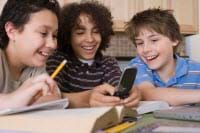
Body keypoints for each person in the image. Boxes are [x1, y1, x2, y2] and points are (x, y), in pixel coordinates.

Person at [47, 1, 141, 108]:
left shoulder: (108, 63)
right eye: (80, 33)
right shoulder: (57, 60)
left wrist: (129, 93)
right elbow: (50, 97)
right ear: (68, 36)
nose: (90, 39)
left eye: (96, 31)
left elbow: (117, 87)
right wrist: (89, 98)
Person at [126, 8, 200, 106]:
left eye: (154, 40)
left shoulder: (196, 70)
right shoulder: (137, 66)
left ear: (174, 39)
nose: (145, 49)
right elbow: (149, 94)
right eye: (140, 43)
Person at [0, 0, 61, 109]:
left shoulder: (36, 67)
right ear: (11, 31)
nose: (52, 44)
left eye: (55, 36)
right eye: (43, 33)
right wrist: (16, 98)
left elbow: (54, 98)